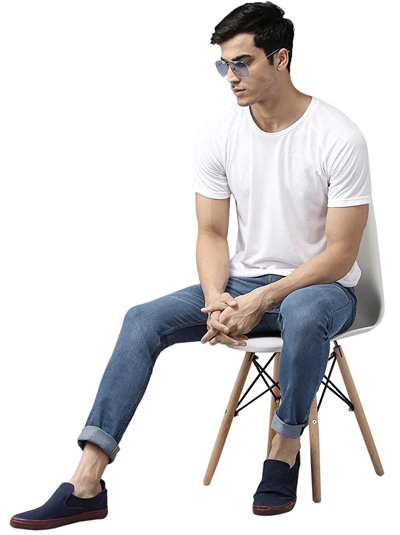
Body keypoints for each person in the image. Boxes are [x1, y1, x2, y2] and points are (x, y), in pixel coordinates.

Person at [10, 1, 372, 529]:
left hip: (323, 289)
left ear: (281, 58)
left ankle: (283, 449)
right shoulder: (217, 134)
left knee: (304, 311)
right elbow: (211, 233)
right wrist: (217, 298)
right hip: (245, 283)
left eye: (242, 62)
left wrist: (262, 298)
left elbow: (340, 253)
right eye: (224, 64)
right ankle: (86, 482)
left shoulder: (338, 136)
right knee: (142, 319)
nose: (231, 76)